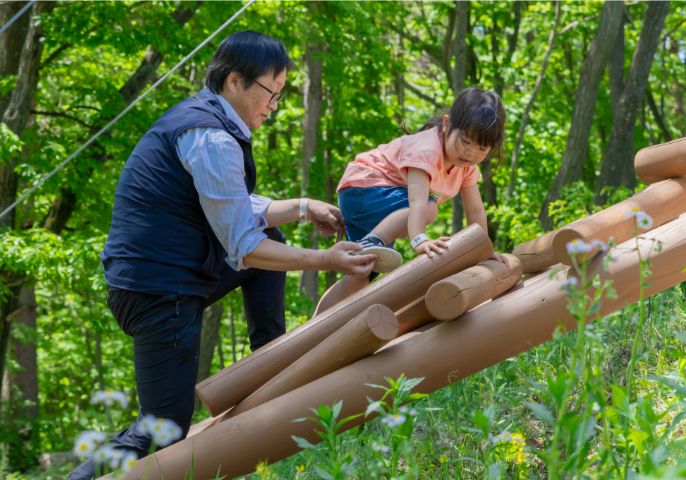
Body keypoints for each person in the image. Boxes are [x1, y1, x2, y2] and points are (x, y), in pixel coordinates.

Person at [69, 30, 376, 478]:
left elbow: (231, 207)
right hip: (156, 291)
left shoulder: (208, 124)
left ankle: (272, 362)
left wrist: (305, 209)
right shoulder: (212, 138)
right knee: (164, 429)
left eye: (280, 95)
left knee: (271, 229)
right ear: (236, 81)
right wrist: (328, 259)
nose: (273, 106)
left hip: (172, 276)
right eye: (271, 93)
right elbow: (244, 247)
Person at [314, 86, 506, 315]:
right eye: (465, 141)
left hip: (378, 200)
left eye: (481, 148)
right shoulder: (427, 150)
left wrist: (482, 249)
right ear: (447, 124)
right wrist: (419, 239)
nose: (471, 153)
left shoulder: (466, 167)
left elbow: (475, 210)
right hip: (363, 189)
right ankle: (371, 241)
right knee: (429, 206)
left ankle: (309, 328)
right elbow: (417, 202)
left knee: (361, 273)